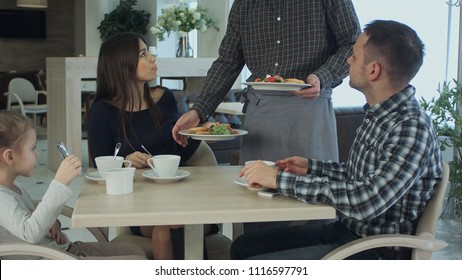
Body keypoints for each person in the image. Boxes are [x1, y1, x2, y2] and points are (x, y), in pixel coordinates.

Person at [230, 20, 443, 260]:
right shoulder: (380, 114)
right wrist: (311, 167)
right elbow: (360, 177)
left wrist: (279, 180)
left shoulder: (410, 127)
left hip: (374, 250)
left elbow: (366, 201)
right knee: (243, 246)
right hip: (349, 232)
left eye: (354, 55)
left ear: (373, 70)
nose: (348, 60)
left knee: (254, 264)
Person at [173, 0, 361, 164]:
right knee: (257, 191)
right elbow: (228, 62)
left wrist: (323, 76)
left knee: (312, 193)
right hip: (261, 115)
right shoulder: (244, 4)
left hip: (310, 109)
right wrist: (198, 110)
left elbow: (352, 42)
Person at [87, 32, 216, 260]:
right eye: (143, 54)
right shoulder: (102, 112)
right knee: (166, 229)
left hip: (183, 197)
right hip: (142, 205)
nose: (153, 58)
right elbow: (101, 168)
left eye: (149, 52)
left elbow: (179, 150)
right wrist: (127, 162)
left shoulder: (164, 98)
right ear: (122, 64)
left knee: (176, 223)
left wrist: (199, 129)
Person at [0, 111, 146, 260]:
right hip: (50, 260)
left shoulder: (14, 185)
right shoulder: (2, 198)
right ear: (10, 157)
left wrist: (53, 223)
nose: (37, 153)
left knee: (136, 251)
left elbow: (30, 219)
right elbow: (30, 233)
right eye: (32, 148)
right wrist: (59, 183)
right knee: (138, 261)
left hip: (62, 250)